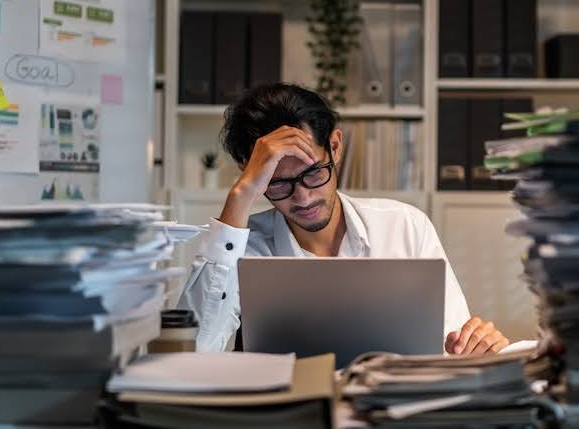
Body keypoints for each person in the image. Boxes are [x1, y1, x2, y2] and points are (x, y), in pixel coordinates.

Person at [178, 83, 509, 355]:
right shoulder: (240, 248)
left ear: (335, 147)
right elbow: (195, 350)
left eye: (313, 173)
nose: (303, 197)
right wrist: (241, 195)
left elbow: (452, 347)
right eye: (277, 183)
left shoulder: (404, 226)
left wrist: (476, 345)